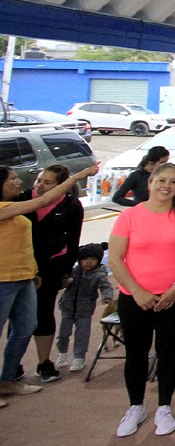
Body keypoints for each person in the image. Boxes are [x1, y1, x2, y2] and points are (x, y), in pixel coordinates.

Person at [108, 162, 175, 437]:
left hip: (173, 296)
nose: (167, 186)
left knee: (168, 350)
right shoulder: (130, 217)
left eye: (173, 181)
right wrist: (137, 291)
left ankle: (164, 406)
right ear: (149, 183)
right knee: (136, 353)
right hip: (134, 298)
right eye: (161, 180)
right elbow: (115, 258)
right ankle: (136, 405)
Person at [0, 163, 97, 400]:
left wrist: (33, 271)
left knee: (25, 327)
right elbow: (43, 202)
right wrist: (82, 174)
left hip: (25, 276)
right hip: (4, 279)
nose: (20, 181)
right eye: (12, 178)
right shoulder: (6, 207)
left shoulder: (64, 207)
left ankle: (8, 379)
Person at [25, 164, 86, 382]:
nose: (40, 185)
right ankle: (13, 364)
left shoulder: (71, 205)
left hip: (51, 265)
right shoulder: (23, 200)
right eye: (39, 180)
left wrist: (66, 271)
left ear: (62, 186)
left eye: (47, 182)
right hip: (22, 266)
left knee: (43, 311)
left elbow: (73, 240)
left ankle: (44, 362)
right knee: (19, 316)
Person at [56, 242, 114, 373]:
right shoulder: (74, 271)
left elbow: (105, 286)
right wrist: (65, 282)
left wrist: (107, 296)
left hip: (85, 310)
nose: (88, 263)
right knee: (63, 334)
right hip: (67, 307)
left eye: (93, 260)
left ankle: (79, 357)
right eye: (85, 259)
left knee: (82, 334)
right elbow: (61, 281)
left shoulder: (99, 274)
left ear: (98, 261)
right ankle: (62, 353)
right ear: (79, 260)